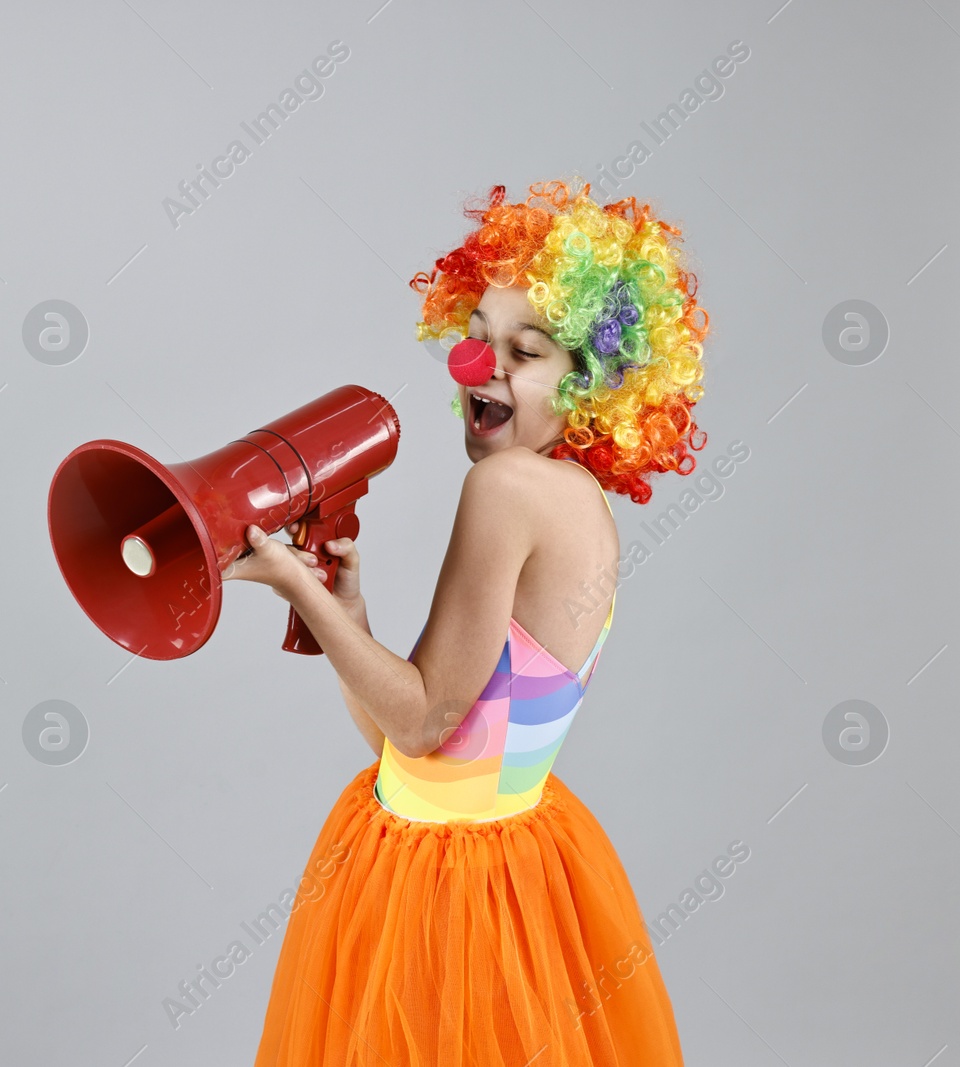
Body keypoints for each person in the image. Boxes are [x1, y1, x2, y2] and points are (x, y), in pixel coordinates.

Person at [224, 180, 707, 1065]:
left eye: (523, 352)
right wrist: (351, 616)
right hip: (495, 859)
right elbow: (405, 746)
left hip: (455, 892)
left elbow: (423, 717)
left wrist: (303, 594)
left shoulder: (507, 487)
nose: (478, 368)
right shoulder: (575, 499)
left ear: (591, 383)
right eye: (477, 338)